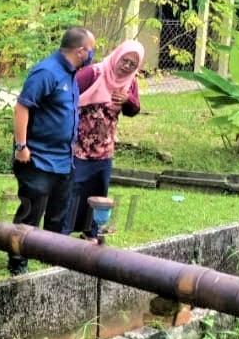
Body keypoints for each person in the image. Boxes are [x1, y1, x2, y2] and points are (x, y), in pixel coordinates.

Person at [9, 26, 96, 276]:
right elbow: (21, 108)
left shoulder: (71, 74)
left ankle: (53, 261)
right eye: (91, 50)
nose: (93, 55)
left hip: (63, 159)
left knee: (59, 215)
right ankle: (18, 259)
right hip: (38, 158)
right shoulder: (47, 72)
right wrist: (21, 146)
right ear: (81, 51)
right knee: (30, 213)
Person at [62, 40, 144, 240]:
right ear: (117, 55)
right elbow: (66, 96)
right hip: (78, 146)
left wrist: (128, 100)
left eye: (133, 64)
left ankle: (90, 232)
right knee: (73, 190)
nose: (127, 66)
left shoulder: (130, 82)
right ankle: (61, 236)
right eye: (125, 60)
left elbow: (134, 110)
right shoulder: (93, 73)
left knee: (99, 191)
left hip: (105, 148)